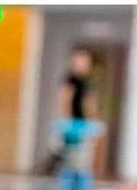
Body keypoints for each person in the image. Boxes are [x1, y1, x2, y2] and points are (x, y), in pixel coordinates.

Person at [42, 48, 99, 178]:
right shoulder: (70, 80)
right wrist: (66, 121)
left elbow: (90, 104)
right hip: (73, 123)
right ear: (74, 63)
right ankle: (66, 176)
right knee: (70, 154)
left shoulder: (87, 82)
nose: (83, 65)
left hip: (83, 123)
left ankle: (77, 176)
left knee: (81, 157)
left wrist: (92, 121)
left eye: (85, 62)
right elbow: (65, 100)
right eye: (80, 62)